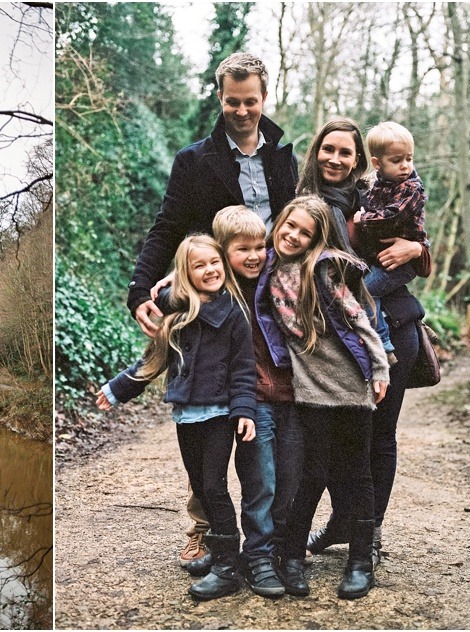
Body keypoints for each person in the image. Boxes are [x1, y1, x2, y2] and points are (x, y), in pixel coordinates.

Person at [124, 51, 298, 567]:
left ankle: (273, 537)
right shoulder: (195, 160)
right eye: (231, 101)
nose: (241, 111)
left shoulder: (284, 156)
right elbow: (167, 225)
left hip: (272, 296)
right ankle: (207, 530)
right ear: (219, 98)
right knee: (208, 414)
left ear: (264, 99)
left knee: (263, 409)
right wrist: (139, 291)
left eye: (250, 102)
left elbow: (301, 222)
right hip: (215, 294)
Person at [96, 235, 264, 601]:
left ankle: (227, 569)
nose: (209, 271)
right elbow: (153, 361)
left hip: (219, 413)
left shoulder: (233, 314)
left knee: (215, 486)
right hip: (186, 415)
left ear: (223, 264)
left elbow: (243, 369)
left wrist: (245, 411)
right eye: (198, 265)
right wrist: (116, 389)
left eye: (214, 263)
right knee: (200, 486)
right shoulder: (177, 314)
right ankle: (221, 553)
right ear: (185, 274)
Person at [296, 118, 430, 566]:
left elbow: (414, 247)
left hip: (395, 330)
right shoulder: (304, 205)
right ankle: (343, 522)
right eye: (328, 150)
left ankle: (367, 532)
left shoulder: (377, 197)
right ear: (316, 152)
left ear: (358, 161)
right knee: (339, 439)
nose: (335, 159)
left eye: (344, 152)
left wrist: (418, 251)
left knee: (379, 438)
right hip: (339, 342)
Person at [165, 206, 299, 598]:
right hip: (242, 400)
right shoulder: (218, 292)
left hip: (283, 393)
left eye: (261, 247)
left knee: (285, 480)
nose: (255, 255)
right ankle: (246, 556)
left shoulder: (272, 278)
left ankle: (272, 552)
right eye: (243, 249)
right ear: (224, 253)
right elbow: (172, 296)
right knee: (252, 482)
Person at [260, 195, 390, 599]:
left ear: (317, 240)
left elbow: (359, 319)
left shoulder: (322, 270)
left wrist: (380, 366)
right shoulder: (263, 267)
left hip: (350, 385)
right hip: (311, 390)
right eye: (290, 226)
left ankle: (360, 562)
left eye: (305, 232)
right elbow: (208, 265)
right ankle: (293, 557)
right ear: (278, 222)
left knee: (357, 474)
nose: (294, 236)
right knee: (311, 474)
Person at [352, 121, 428, 362]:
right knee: (368, 291)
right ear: (377, 163)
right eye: (397, 161)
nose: (405, 166)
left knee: (366, 292)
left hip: (400, 265)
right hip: (382, 261)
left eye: (409, 158)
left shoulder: (410, 189)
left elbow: (391, 216)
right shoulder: (377, 184)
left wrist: (363, 218)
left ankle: (383, 344)